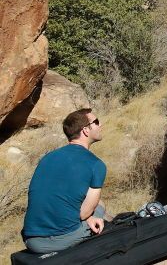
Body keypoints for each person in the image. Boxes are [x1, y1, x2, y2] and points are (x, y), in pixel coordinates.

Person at [22, 108, 108, 253]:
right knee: (99, 205)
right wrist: (90, 217)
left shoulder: (48, 157)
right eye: (96, 122)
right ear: (86, 130)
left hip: (30, 239)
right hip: (59, 239)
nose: (101, 125)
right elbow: (84, 214)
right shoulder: (96, 164)